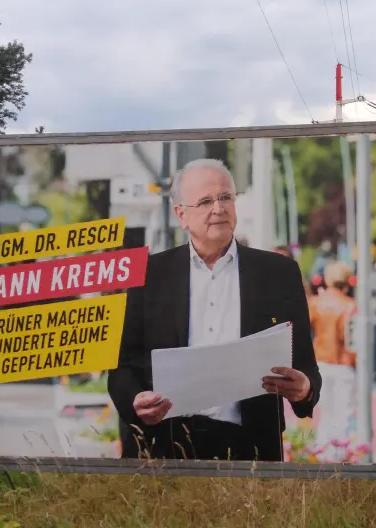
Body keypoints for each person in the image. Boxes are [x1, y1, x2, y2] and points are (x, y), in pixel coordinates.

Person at [108, 158, 322, 462]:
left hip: (250, 452)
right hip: (164, 449)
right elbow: (121, 368)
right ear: (181, 215)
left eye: (225, 197)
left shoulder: (279, 273)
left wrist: (304, 389)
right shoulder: (147, 276)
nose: (218, 208)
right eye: (205, 201)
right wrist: (135, 401)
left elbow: (305, 365)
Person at [307, 260, 358, 462]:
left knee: (325, 412)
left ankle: (321, 453)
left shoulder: (316, 303)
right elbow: (353, 341)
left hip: (320, 362)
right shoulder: (351, 306)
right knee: (343, 413)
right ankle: (340, 455)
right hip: (343, 364)